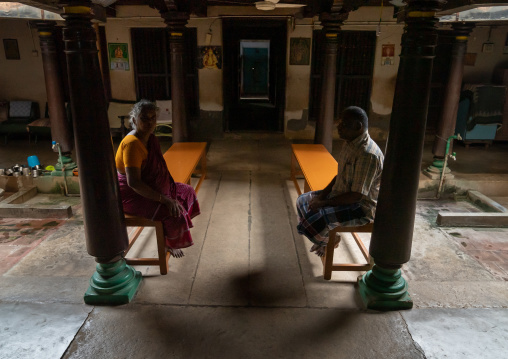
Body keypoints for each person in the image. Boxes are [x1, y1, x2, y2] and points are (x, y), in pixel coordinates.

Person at [115, 100, 200, 258]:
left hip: (151, 187)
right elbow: (133, 183)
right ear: (134, 120)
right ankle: (169, 243)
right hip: (131, 195)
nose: (150, 122)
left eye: (153, 118)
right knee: (174, 211)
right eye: (144, 118)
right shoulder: (132, 144)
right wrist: (164, 199)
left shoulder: (150, 138)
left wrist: (166, 191)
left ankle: (170, 233)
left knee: (187, 191)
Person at [296, 106, 384, 257]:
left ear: (358, 126)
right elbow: (339, 175)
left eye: (343, 124)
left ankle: (327, 240)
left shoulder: (367, 155)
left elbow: (356, 196)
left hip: (360, 207)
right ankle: (330, 238)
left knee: (313, 221)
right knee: (303, 201)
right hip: (343, 194)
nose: (338, 127)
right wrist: (320, 197)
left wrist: (322, 203)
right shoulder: (350, 143)